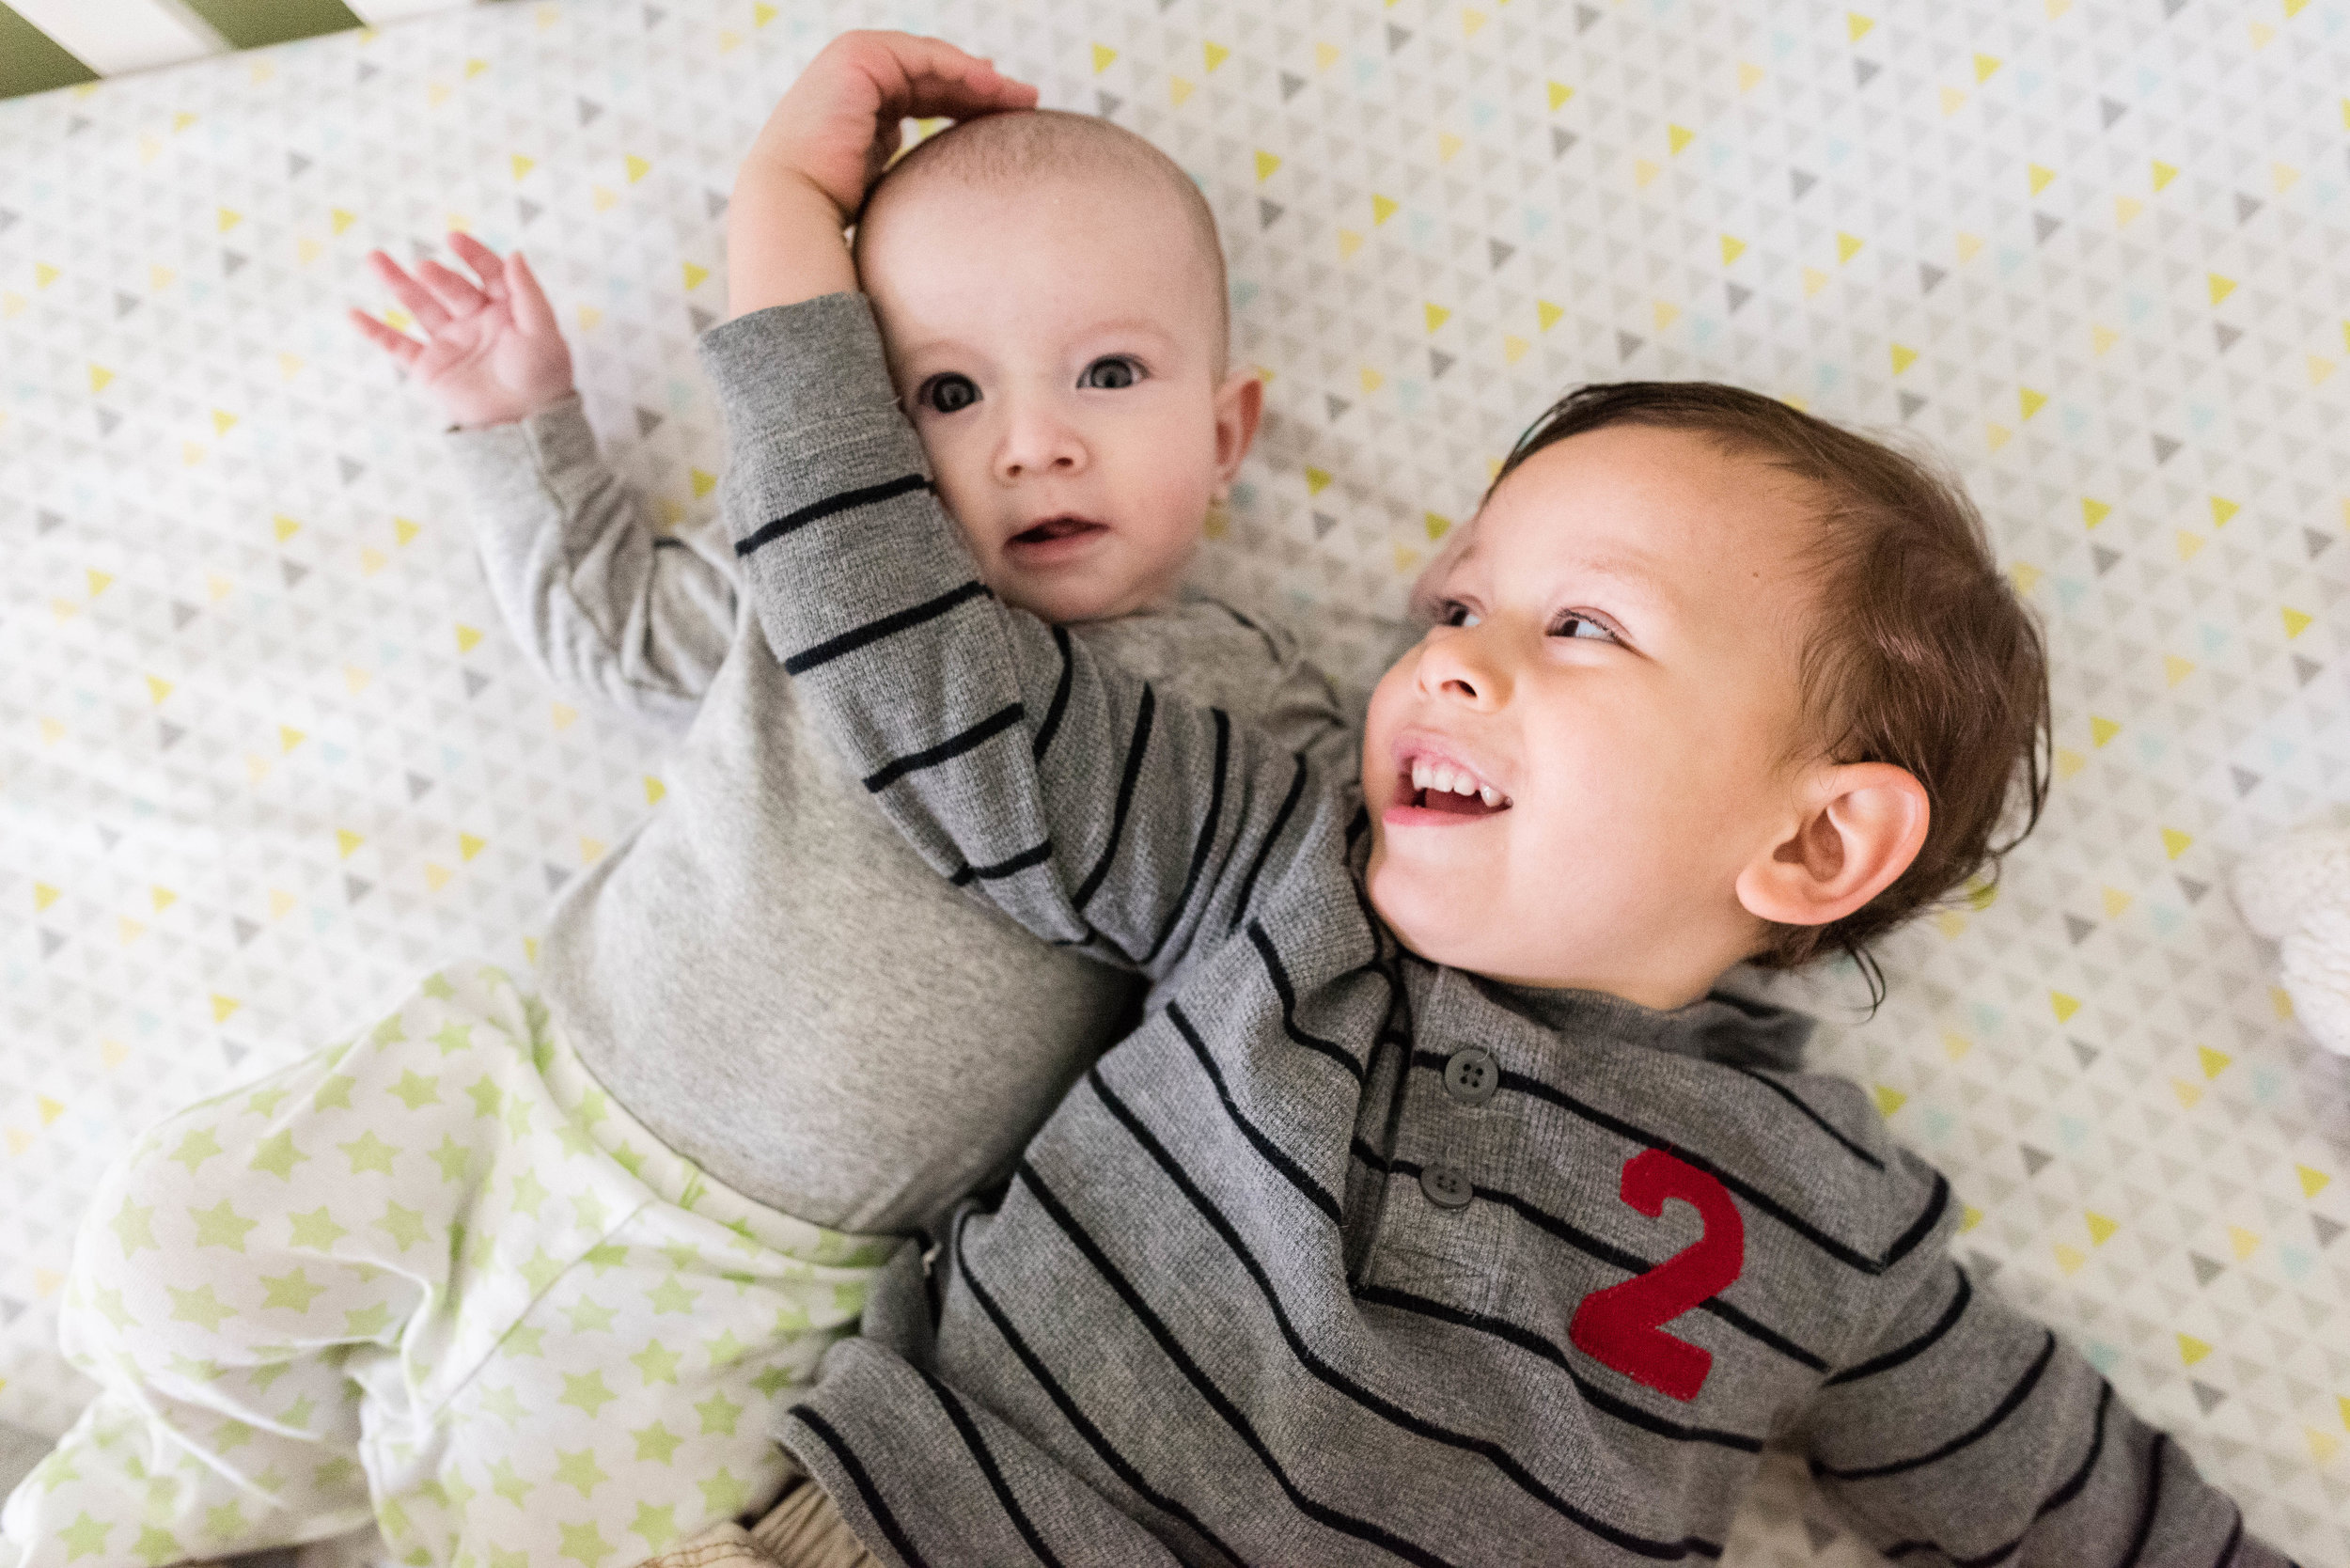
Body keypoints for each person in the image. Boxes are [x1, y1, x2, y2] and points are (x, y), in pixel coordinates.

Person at [685, 30, 2291, 1566]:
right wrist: (782, 234)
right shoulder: (1271, 862)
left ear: (1814, 839)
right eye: (1457, 610)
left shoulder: (1825, 1220)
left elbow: (2097, 1518)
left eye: (1579, 626)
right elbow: (917, 678)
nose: (1446, 662)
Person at [0, 58, 1348, 1568]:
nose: (1035, 441)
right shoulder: (830, 582)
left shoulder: (1244, 712)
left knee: (533, 1524)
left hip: (765, 1273)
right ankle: (182, 1492)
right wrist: (520, 428)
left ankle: (350, 1499)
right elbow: (614, 627)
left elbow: (1320, 943)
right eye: (949, 394)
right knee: (174, 1246)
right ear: (871, 432)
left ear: (1227, 432)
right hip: (521, 1078)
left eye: (1108, 375)